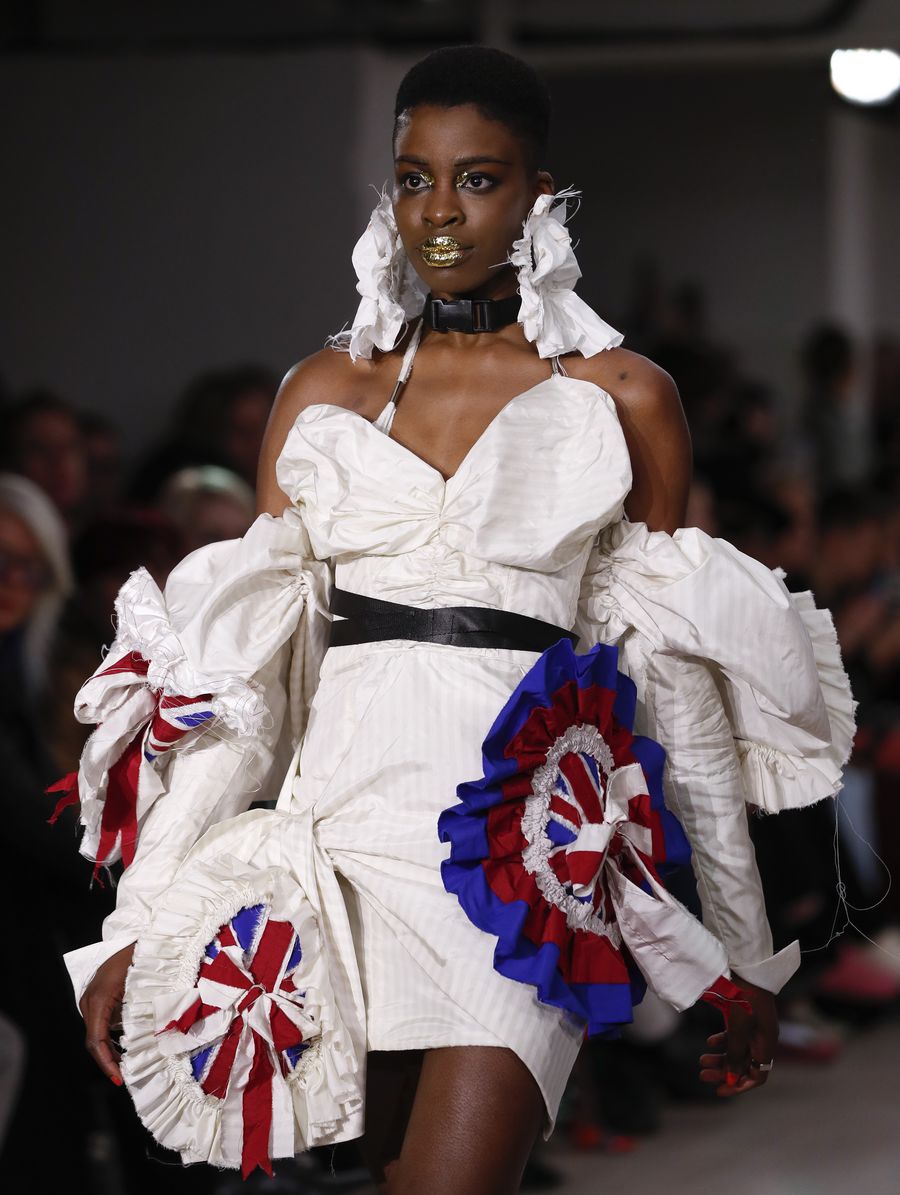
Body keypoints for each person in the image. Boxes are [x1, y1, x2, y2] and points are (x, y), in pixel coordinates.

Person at [63, 47, 853, 1195]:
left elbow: (670, 681)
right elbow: (243, 688)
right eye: (414, 178)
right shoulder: (323, 391)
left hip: (522, 851)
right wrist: (136, 921)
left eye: (477, 179)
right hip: (342, 843)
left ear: (539, 193)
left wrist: (737, 951)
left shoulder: (622, 395)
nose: (439, 210)